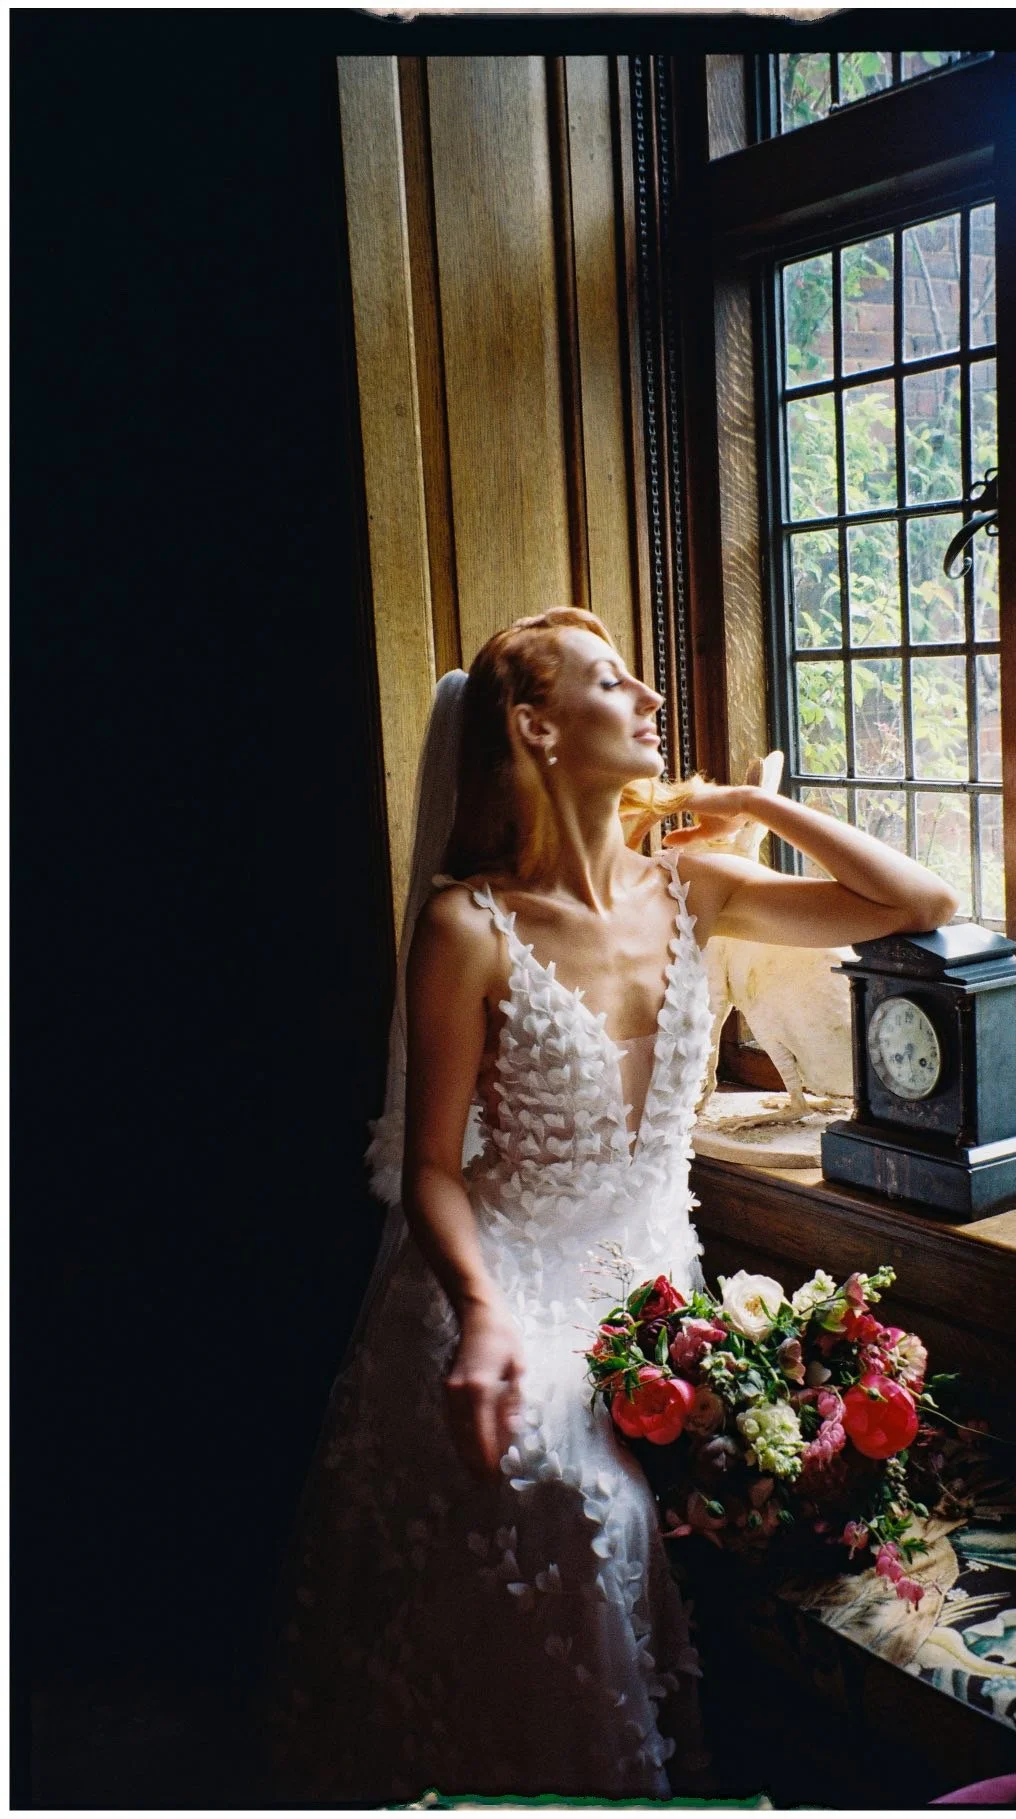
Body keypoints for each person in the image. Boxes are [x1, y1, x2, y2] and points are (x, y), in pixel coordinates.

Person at [268, 608, 959, 1803]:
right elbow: (431, 1164)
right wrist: (481, 1312)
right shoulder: (464, 926)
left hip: (651, 1278)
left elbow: (919, 900)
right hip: (507, 1274)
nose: (645, 696)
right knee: (572, 1490)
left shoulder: (692, 882)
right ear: (535, 728)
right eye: (610, 680)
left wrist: (756, 811)